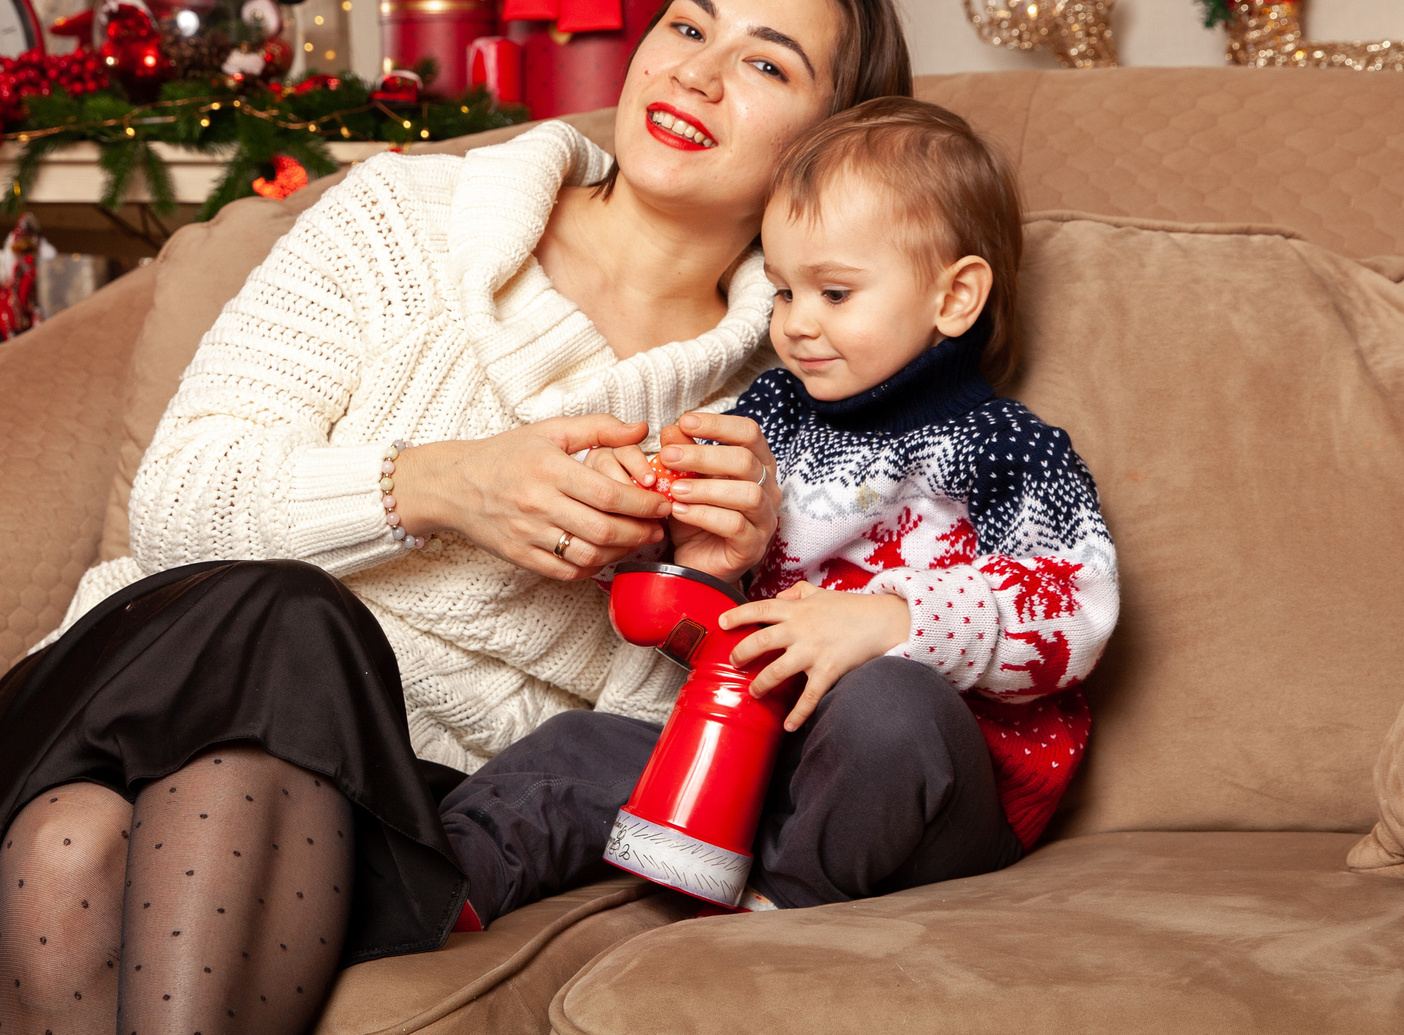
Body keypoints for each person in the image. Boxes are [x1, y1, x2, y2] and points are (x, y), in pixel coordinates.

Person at [0, 0, 914, 1035]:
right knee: (294, 616)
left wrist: (704, 593)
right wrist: (438, 488)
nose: (693, 70)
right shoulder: (401, 217)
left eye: (763, 63)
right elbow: (177, 508)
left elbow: (634, 782)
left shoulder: (777, 410)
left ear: (828, 148)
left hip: (393, 808)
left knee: (74, 857)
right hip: (120, 694)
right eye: (685, 27)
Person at [438, 98, 1119, 920]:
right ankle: (435, 881)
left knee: (887, 704)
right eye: (786, 289)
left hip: (931, 787)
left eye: (834, 292)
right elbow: (704, 598)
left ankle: (776, 907)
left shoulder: (1007, 447)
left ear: (956, 296)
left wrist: (891, 620)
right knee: (576, 748)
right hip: (760, 755)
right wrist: (660, 527)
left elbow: (1078, 607)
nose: (795, 324)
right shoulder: (772, 416)